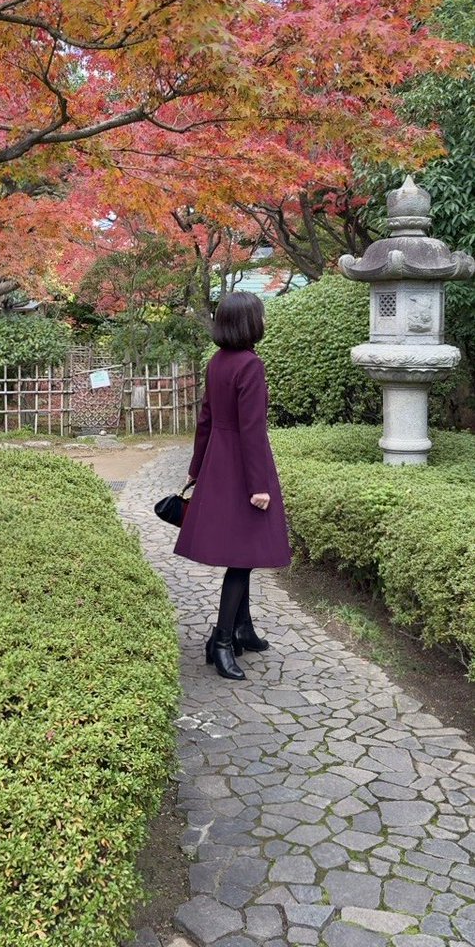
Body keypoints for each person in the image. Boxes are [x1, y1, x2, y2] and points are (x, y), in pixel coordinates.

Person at [174, 291, 291, 680]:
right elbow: (252, 430)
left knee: (245, 551)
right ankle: (221, 641)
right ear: (249, 323)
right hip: (242, 468)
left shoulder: (217, 362)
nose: (264, 321)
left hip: (218, 465)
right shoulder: (250, 365)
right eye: (260, 315)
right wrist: (259, 485)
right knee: (242, 558)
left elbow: (205, 420)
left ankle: (242, 628)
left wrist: (196, 468)